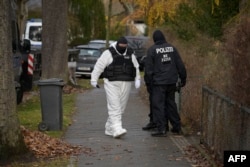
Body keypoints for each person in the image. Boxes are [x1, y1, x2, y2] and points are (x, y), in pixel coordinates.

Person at [91, 36, 141, 138]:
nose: (123, 48)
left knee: (121, 107)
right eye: (121, 46)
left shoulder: (130, 53)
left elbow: (135, 66)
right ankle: (117, 128)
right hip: (111, 83)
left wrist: (138, 79)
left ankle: (109, 128)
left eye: (125, 46)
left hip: (126, 83)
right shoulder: (108, 53)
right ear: (117, 45)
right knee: (115, 105)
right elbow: (99, 66)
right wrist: (94, 79)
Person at [145, 30, 187, 137]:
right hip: (171, 81)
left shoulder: (152, 50)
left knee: (158, 105)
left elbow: (148, 70)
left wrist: (148, 85)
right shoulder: (172, 48)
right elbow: (180, 65)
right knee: (171, 104)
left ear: (154, 39)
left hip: (158, 83)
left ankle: (161, 128)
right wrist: (183, 79)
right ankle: (176, 126)